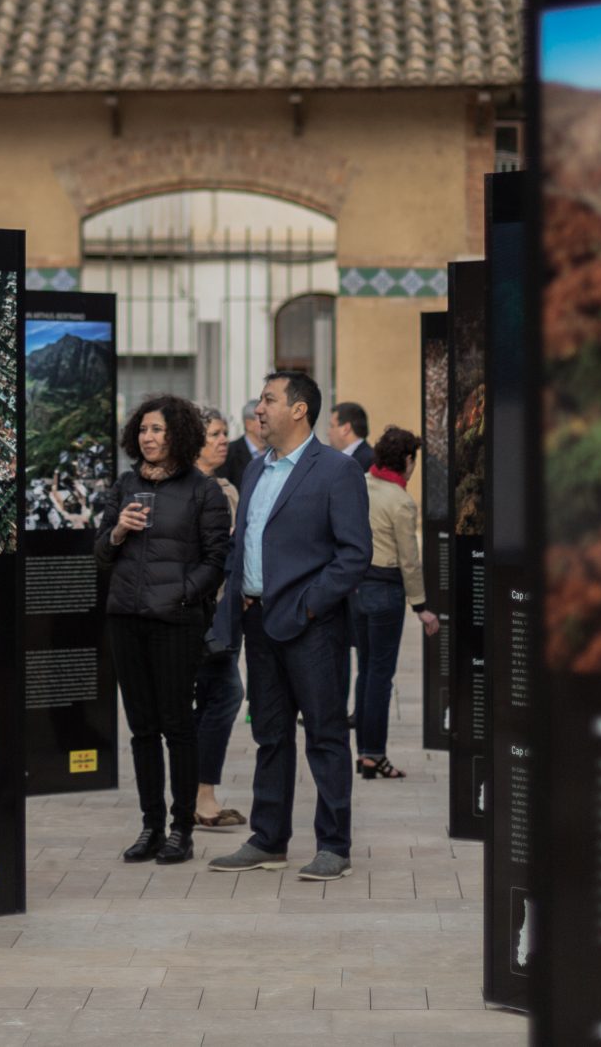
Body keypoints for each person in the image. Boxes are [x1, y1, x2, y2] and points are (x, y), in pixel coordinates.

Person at [207, 370, 372, 881]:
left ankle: (334, 845)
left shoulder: (335, 471)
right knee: (271, 737)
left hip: (311, 628)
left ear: (300, 409)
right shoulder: (256, 470)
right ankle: (268, 839)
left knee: (324, 736)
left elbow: (354, 554)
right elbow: (245, 545)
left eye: (269, 399)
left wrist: (308, 606)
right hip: (259, 625)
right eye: (261, 400)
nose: (259, 408)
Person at [98, 395, 232, 864]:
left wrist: (182, 592)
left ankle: (182, 828)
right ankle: (150, 826)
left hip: (175, 622)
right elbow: (100, 551)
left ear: (177, 435)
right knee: (141, 730)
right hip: (126, 620)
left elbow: (218, 559)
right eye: (143, 431)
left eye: (157, 430)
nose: (148, 439)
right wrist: (118, 530)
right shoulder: (125, 485)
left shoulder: (203, 490)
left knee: (178, 727)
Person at [349, 426, 438, 780]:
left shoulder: (360, 486)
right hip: (385, 592)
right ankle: (375, 755)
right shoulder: (401, 501)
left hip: (356, 589)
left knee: (365, 669)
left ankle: (363, 754)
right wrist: (421, 606)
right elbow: (409, 560)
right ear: (406, 460)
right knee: (381, 677)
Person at [191, 406, 248, 833]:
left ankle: (195, 792)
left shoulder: (225, 486)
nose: (223, 440)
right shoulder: (195, 491)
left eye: (225, 433)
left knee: (213, 698)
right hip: (204, 613)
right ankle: (201, 795)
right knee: (225, 694)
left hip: (226, 611)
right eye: (214, 434)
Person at [225, 398, 265, 489]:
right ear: (248, 424)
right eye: (262, 419)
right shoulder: (229, 453)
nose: (269, 422)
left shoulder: (277, 451)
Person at [328, 401, 374, 478]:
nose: (328, 432)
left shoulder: (369, 461)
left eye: (332, 426)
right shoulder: (341, 459)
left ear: (346, 429)